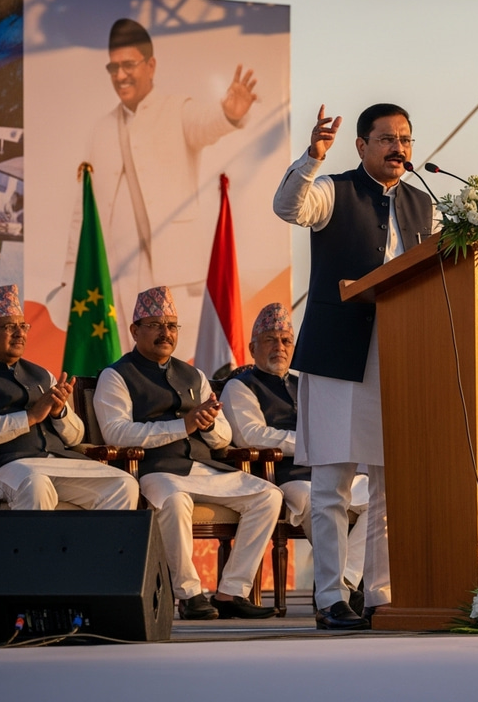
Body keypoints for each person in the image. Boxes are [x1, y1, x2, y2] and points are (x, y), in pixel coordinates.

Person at [273, 103, 434, 630]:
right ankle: (329, 598)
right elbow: (288, 207)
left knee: (389, 486)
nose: (398, 148)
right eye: (387, 139)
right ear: (361, 145)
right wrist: (312, 157)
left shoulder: (422, 202)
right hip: (338, 353)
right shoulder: (333, 190)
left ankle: (379, 595)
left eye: (405, 139)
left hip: (399, 354)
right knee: (332, 487)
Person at [93, 285, 282, 621]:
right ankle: (190, 595)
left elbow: (223, 437)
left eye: (171, 326)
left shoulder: (194, 375)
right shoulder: (116, 375)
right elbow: (117, 433)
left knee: (268, 495)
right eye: (155, 325)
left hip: (203, 466)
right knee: (175, 500)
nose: (165, 333)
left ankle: (231, 592)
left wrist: (207, 426)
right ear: (135, 330)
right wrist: (183, 426)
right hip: (156, 470)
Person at [68, 18, 258, 350]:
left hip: (173, 273)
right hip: (116, 277)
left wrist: (229, 114)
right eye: (114, 67)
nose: (120, 75)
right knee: (121, 360)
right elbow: (83, 210)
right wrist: (72, 270)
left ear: (151, 65)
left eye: (129, 65)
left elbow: (207, 124)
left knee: (179, 361)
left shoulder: (177, 110)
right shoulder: (101, 128)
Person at [221, 302, 369, 612]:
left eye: (286, 340)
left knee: (383, 500)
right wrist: (311, 443)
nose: (280, 347)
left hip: (329, 470)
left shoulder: (306, 384)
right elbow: (251, 435)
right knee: (315, 500)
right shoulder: (240, 386)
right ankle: (339, 591)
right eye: (271, 340)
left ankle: (345, 579)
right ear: (252, 348)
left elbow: (334, 426)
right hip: (285, 477)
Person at [0, 284, 139, 511]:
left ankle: (99, 539)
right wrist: (30, 417)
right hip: (10, 465)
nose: (20, 333)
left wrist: (59, 412)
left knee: (123, 484)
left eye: (23, 326)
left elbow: (76, 436)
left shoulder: (42, 375)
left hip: (59, 460)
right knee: (36, 484)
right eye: (9, 326)